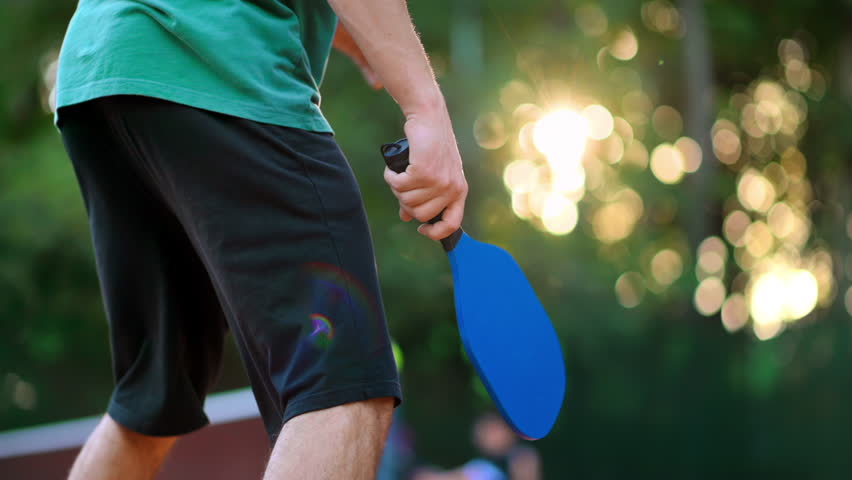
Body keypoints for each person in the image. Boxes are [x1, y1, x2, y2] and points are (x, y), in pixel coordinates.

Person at [55, 1, 468, 479]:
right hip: (219, 61)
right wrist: (425, 106)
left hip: (100, 67)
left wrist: (363, 39)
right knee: (343, 383)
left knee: (151, 402)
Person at [411, 413, 541, 480]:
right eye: (481, 431)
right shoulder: (483, 467)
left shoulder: (522, 457)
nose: (480, 436)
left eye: (490, 430)